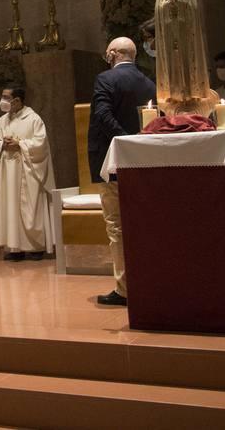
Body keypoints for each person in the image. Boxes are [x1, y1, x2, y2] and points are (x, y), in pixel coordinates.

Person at [87, 37, 157, 306]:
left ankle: (126, 287)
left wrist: (124, 141)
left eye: (108, 52)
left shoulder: (105, 79)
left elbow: (102, 115)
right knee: (140, 222)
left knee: (116, 225)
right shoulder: (148, 83)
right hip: (141, 161)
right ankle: (147, 280)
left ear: (114, 54)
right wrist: (136, 143)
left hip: (112, 161)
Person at [153, 0, 220, 117]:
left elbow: (193, 10)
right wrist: (168, 6)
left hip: (185, 37)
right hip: (169, 36)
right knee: (173, 65)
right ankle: (174, 96)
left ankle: (192, 94)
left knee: (186, 63)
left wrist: (181, 6)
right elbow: (159, 12)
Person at [0, 88, 55, 261]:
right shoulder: (2, 121)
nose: (2, 100)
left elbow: (41, 144)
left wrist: (20, 144)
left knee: (29, 207)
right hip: (7, 171)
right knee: (9, 206)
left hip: (26, 170)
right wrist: (1, 144)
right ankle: (14, 248)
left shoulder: (33, 119)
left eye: (6, 97)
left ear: (17, 100)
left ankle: (34, 247)